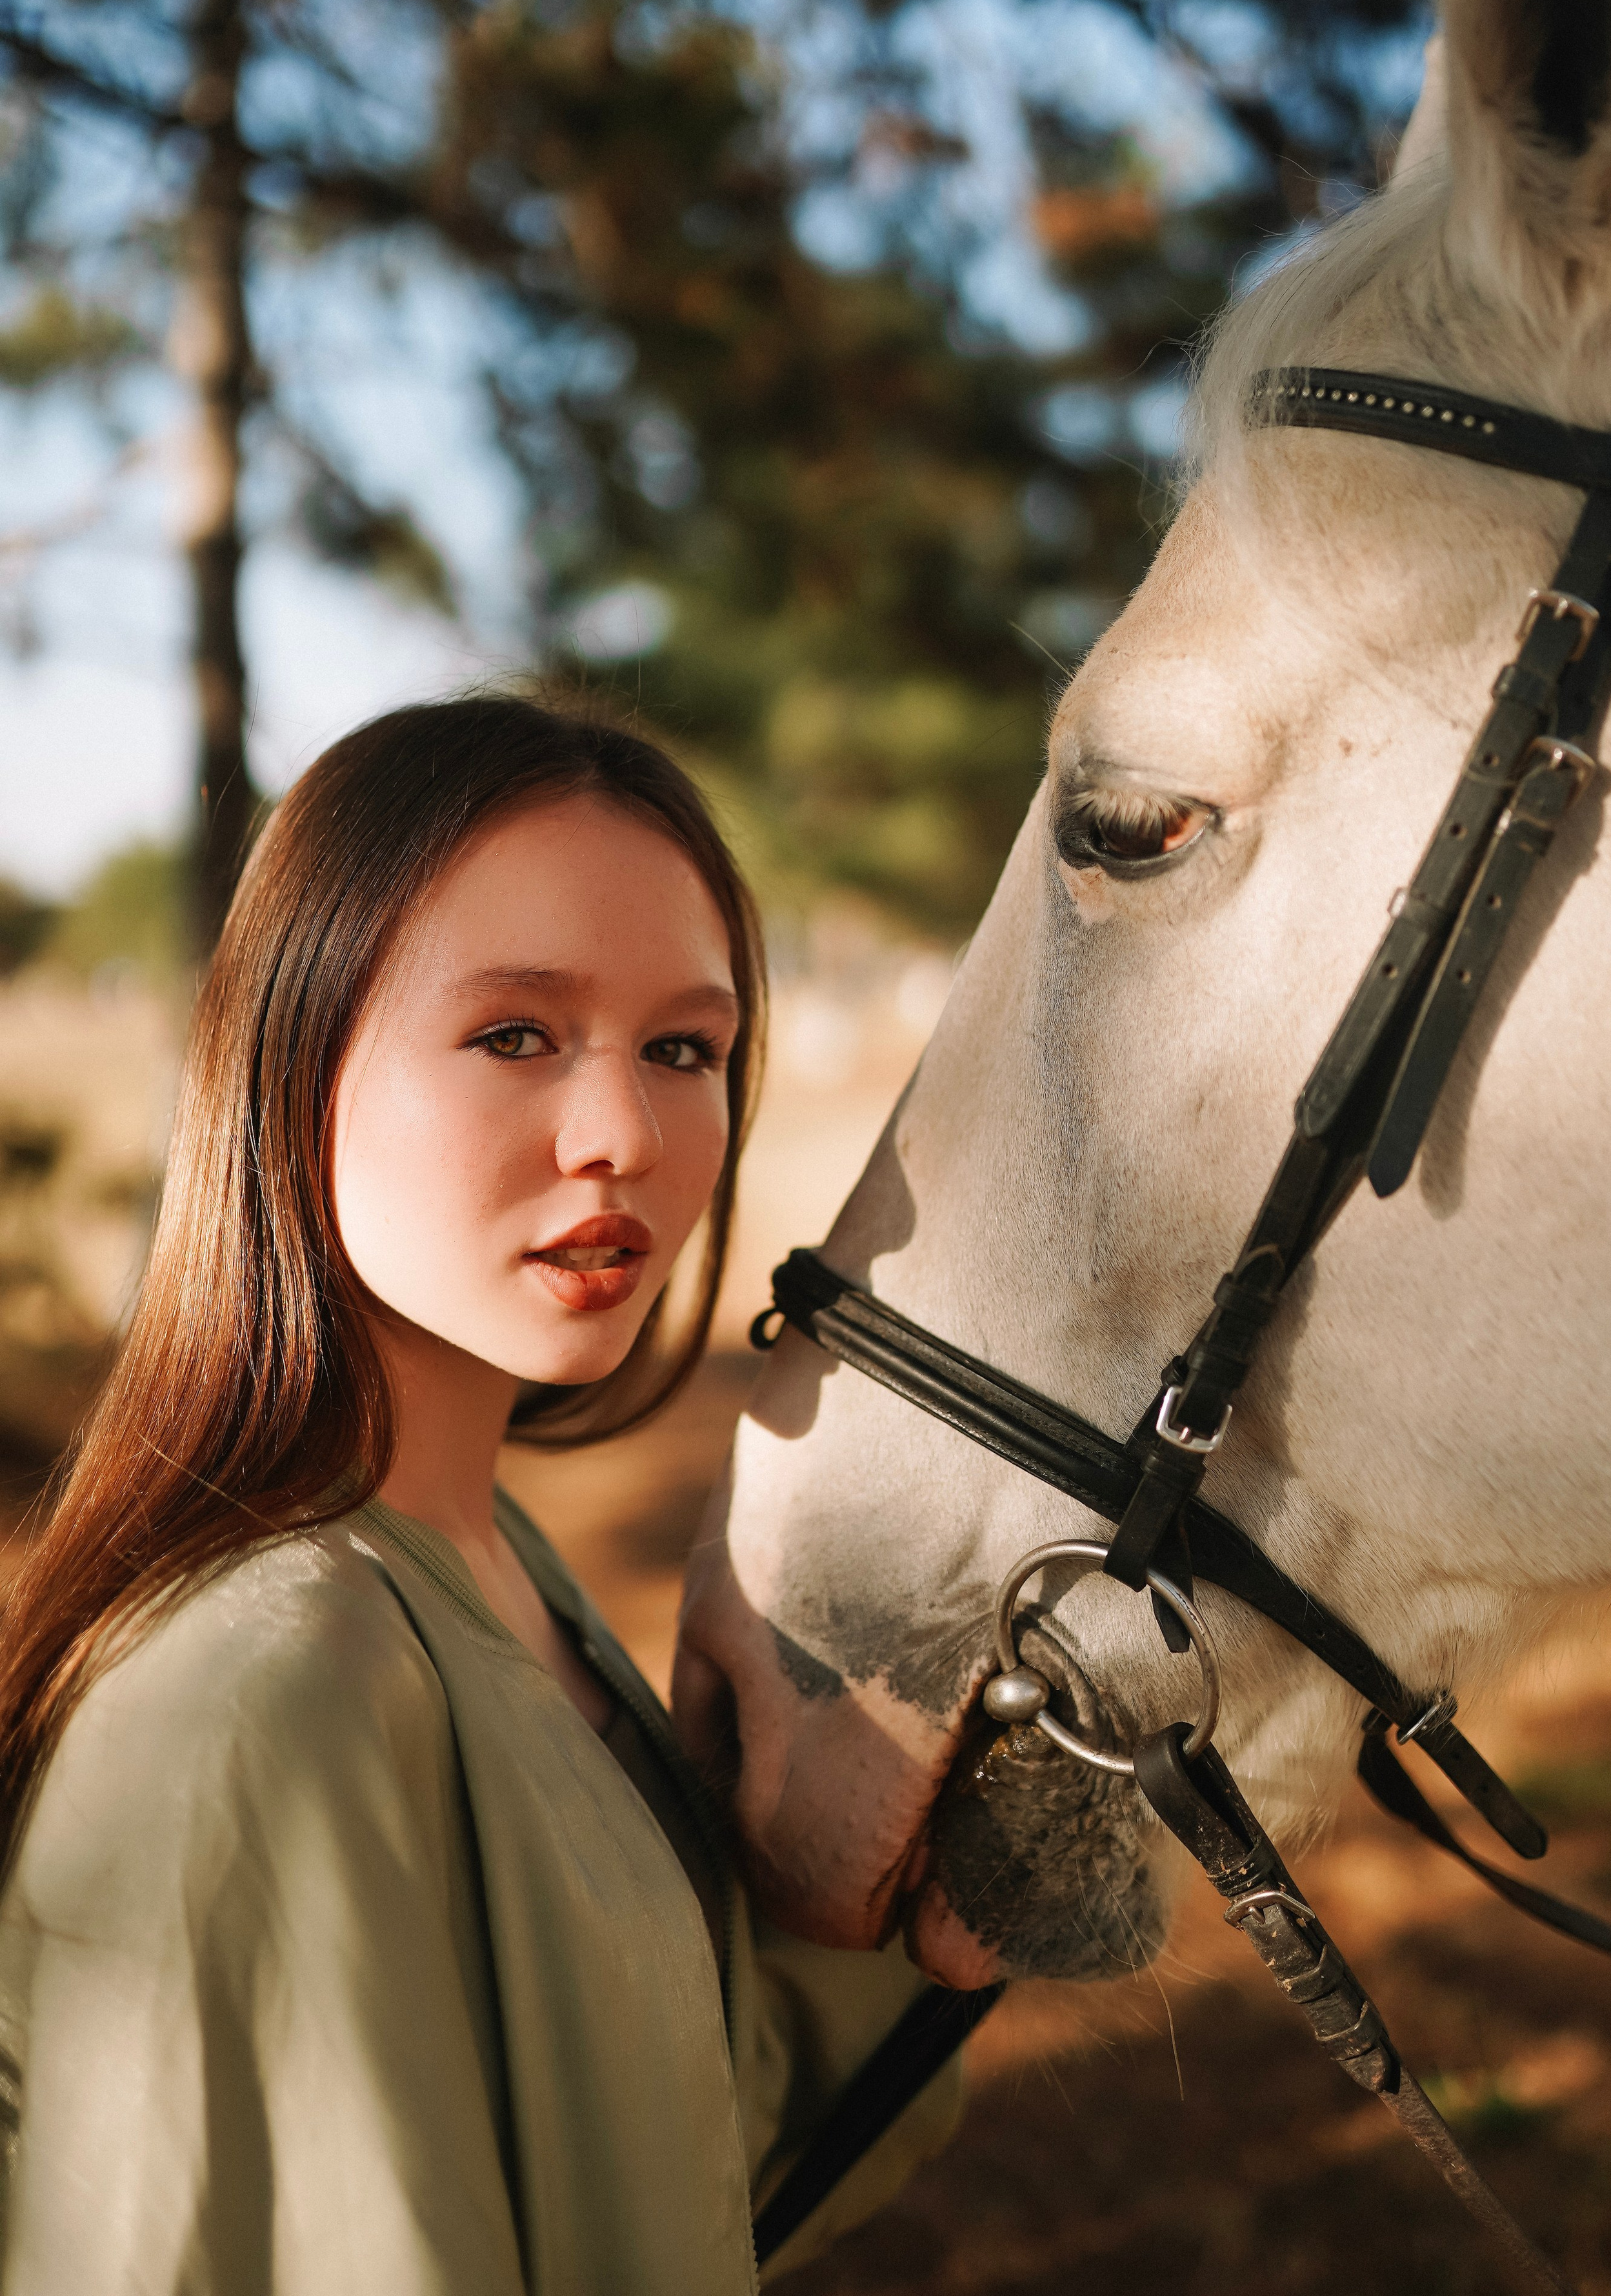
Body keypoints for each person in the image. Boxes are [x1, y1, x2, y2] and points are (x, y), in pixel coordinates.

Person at [0, 695, 957, 2293]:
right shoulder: (267, 1697)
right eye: (515, 1033)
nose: (624, 1137)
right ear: (291, 1062)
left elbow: (660, 2145)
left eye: (685, 1049)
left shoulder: (484, 1558)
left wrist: (898, 1893)